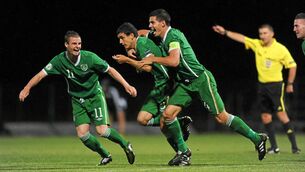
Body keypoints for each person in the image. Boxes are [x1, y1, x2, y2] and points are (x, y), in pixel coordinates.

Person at [140, 9, 268, 166]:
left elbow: (174, 61)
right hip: (185, 84)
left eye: (153, 22)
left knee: (222, 117)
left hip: (200, 80)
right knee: (167, 115)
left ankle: (257, 138)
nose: (150, 25)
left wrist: (153, 59)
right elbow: (144, 32)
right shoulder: (159, 35)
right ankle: (184, 153)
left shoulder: (173, 36)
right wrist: (134, 37)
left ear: (163, 23)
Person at [19, 30, 136, 165]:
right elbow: (41, 74)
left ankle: (125, 145)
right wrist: (26, 88)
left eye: (79, 43)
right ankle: (105, 155)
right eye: (74, 43)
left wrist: (126, 85)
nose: (77, 46)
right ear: (66, 45)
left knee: (102, 130)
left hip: (94, 97)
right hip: (77, 100)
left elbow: (110, 70)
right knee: (82, 134)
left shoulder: (90, 58)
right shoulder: (59, 60)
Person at [213, 24, 300, 154]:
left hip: (276, 86)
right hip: (262, 86)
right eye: (260, 33)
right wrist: (225, 32)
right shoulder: (257, 44)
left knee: (282, 115)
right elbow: (242, 38)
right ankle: (274, 147)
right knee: (265, 116)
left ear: (272, 34)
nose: (262, 36)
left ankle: (294, 147)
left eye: (265, 33)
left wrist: (290, 84)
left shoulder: (280, 49)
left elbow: (293, 65)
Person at [113, 22, 192, 152]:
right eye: (119, 39)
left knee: (164, 123)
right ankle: (179, 122)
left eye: (122, 38)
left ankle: (183, 152)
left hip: (167, 83)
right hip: (159, 85)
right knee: (142, 119)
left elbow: (148, 67)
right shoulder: (138, 43)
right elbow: (142, 32)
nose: (121, 42)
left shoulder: (142, 44)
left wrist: (127, 60)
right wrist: (129, 52)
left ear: (132, 36)